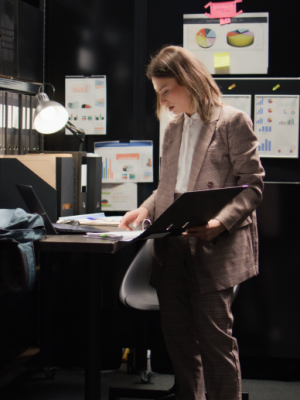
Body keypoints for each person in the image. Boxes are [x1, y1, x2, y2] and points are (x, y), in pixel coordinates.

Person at [119, 45, 265, 400]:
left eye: (166, 90)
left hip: (214, 246)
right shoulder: (172, 127)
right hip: (172, 245)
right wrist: (144, 209)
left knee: (215, 342)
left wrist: (221, 222)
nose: (163, 99)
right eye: (158, 92)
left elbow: (254, 186)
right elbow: (168, 186)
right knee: (179, 342)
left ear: (188, 81)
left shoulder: (231, 121)